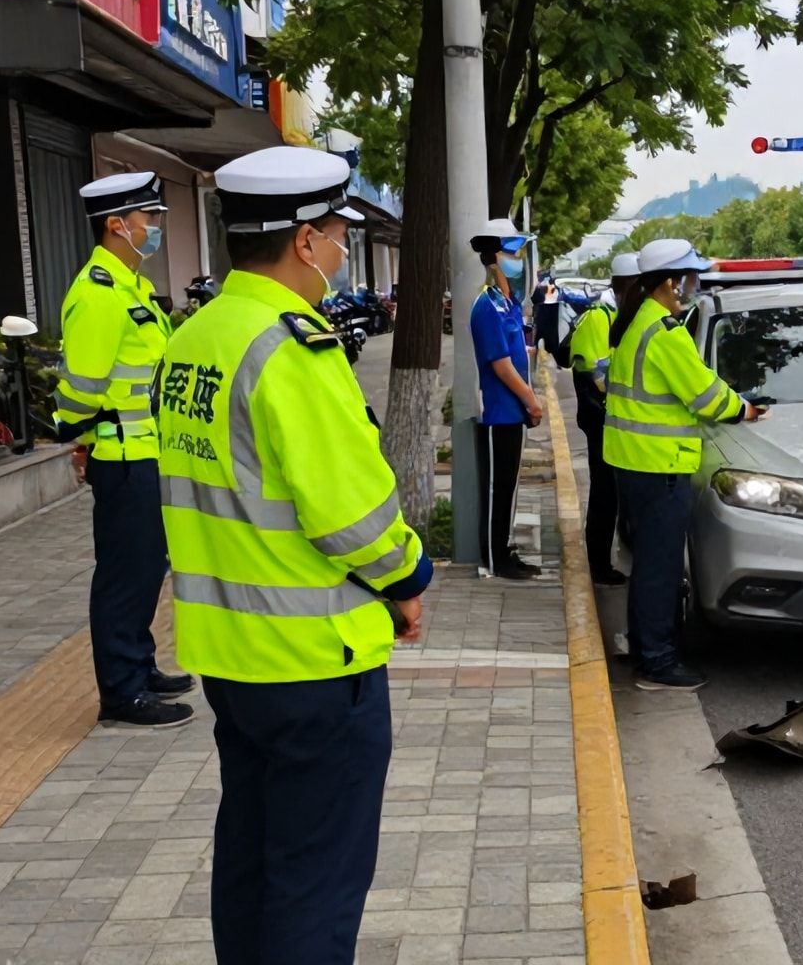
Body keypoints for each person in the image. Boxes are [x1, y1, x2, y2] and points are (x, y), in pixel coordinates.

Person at [156, 146, 431, 965]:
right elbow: (354, 517)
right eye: (339, 230)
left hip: (230, 656)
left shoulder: (194, 337)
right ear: (305, 241)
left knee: (250, 856)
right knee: (317, 880)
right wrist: (408, 579)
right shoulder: (293, 351)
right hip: (313, 658)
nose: (344, 245)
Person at [52, 172, 194, 729]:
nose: (156, 227)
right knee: (123, 577)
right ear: (117, 225)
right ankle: (121, 692)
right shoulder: (97, 294)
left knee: (145, 571)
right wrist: (82, 440)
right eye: (150, 219)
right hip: (124, 461)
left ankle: (139, 665)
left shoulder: (131, 286)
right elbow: (79, 390)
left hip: (145, 455)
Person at [605, 239, 764, 691]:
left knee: (649, 565)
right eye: (689, 276)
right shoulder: (667, 334)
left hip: (635, 463)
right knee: (661, 568)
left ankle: (645, 646)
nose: (694, 284)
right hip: (661, 468)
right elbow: (706, 395)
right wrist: (746, 410)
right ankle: (657, 661)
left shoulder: (636, 323)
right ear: (671, 282)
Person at [469, 219, 545, 580]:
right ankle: (494, 558)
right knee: (496, 488)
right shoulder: (485, 306)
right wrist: (531, 400)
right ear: (493, 257)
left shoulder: (507, 302)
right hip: (498, 412)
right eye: (513, 252)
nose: (519, 259)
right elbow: (500, 365)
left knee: (510, 487)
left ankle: (505, 549)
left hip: (513, 412)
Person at [568, 253, 639, 585]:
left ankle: (603, 559)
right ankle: (598, 565)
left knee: (615, 492)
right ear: (625, 284)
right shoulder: (599, 317)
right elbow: (597, 374)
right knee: (604, 493)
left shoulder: (619, 314)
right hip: (601, 420)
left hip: (614, 418)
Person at [533, 271, 563, 366]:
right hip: (549, 315)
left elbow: (536, 299)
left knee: (543, 337)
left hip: (545, 314)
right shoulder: (554, 289)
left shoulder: (542, 288)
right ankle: (555, 359)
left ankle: (544, 356)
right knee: (549, 338)